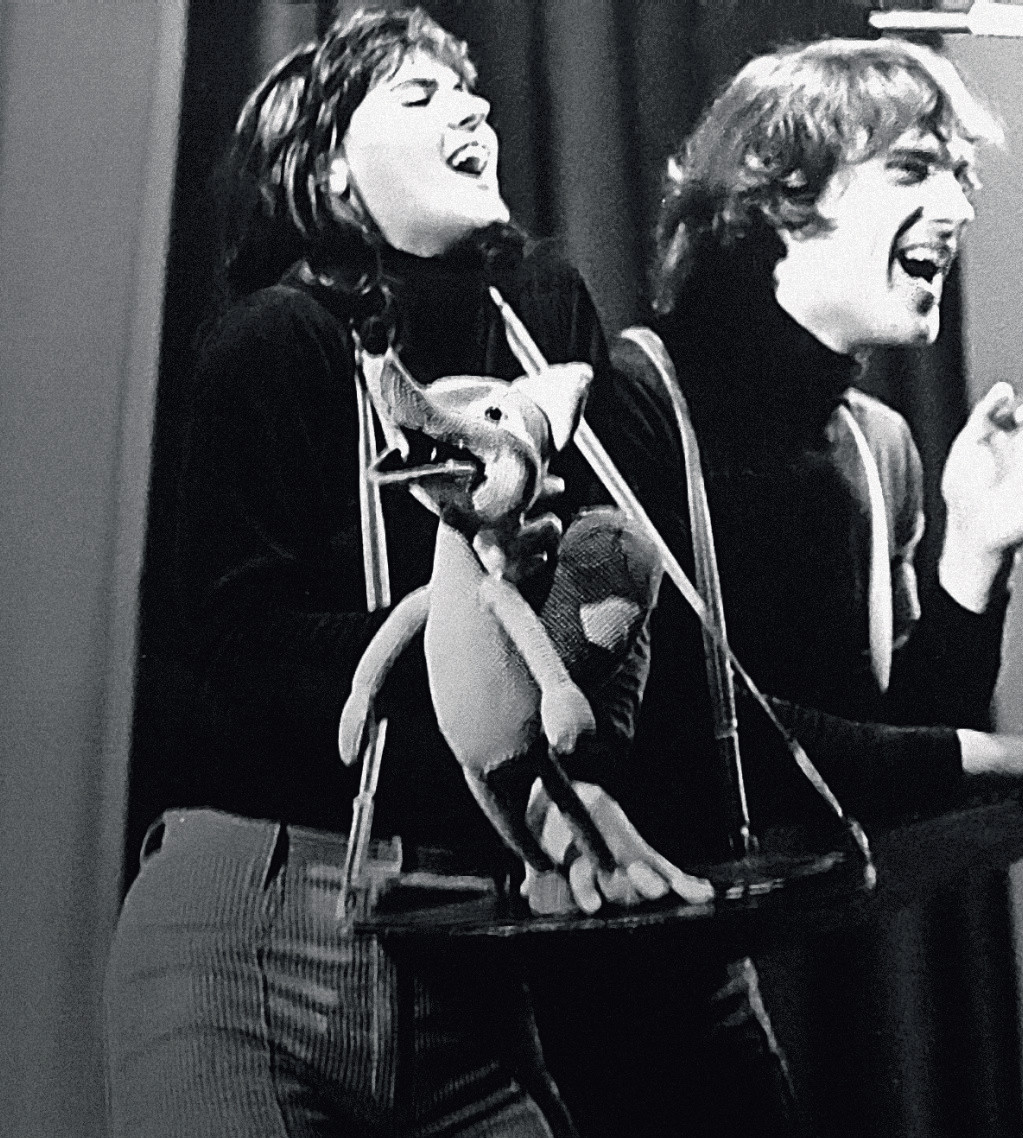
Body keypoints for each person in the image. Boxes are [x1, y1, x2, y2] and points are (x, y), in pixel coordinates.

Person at [103, 9, 707, 1136]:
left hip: (466, 956)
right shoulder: (270, 342)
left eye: (468, 93)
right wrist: (457, 651)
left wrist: (568, 786)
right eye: (419, 96)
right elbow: (236, 643)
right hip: (259, 939)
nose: (471, 108)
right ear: (331, 173)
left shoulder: (541, 336)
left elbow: (592, 618)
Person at [527, 36, 1023, 1138]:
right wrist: (1005, 761)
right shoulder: (630, 399)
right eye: (913, 170)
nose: (956, 206)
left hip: (695, 979)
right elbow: (690, 730)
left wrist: (975, 552)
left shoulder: (878, 446)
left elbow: (889, 761)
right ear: (780, 195)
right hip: (546, 1003)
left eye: (959, 175)